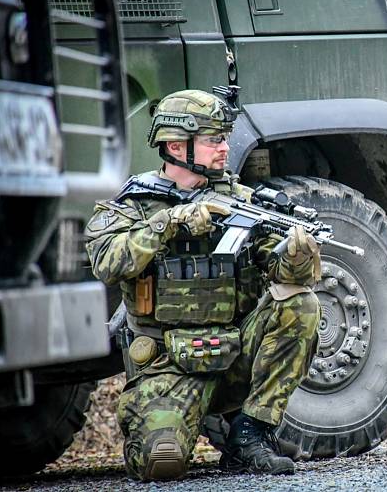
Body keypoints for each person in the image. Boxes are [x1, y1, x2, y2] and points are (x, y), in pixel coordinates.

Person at [85, 89, 321, 480]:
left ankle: (250, 433)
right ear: (176, 146)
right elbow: (108, 262)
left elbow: (280, 272)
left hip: (234, 355)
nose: (225, 148)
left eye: (224, 138)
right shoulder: (134, 204)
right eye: (214, 140)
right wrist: (170, 223)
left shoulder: (240, 202)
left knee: (301, 302)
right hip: (167, 366)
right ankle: (177, 426)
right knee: (162, 464)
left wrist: (296, 258)